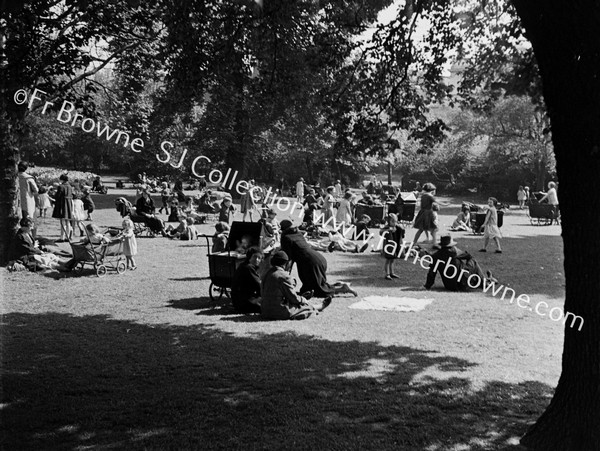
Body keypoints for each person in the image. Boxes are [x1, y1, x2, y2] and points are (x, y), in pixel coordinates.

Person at [280, 220, 357, 297]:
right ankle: (339, 285)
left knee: (320, 291)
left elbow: (288, 257)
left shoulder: (285, 238)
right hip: (317, 259)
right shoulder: (298, 234)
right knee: (309, 289)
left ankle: (343, 288)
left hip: (310, 263)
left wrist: (285, 273)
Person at [261, 250, 332, 320]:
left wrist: (300, 296)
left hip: (265, 312)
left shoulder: (266, 274)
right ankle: (320, 306)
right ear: (285, 264)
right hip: (279, 312)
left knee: (298, 304)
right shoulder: (284, 276)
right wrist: (303, 299)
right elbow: (293, 298)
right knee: (305, 307)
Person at [424, 235, 494, 291]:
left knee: (466, 267)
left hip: (449, 286)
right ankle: (485, 281)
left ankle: (486, 280)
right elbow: (468, 256)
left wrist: (428, 285)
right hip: (462, 284)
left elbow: (431, 273)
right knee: (473, 261)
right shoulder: (455, 252)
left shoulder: (436, 256)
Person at [231, 247, 263, 314]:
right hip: (243, 303)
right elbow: (259, 285)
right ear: (249, 257)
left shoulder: (244, 265)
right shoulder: (248, 267)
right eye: (254, 257)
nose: (257, 260)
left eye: (259, 258)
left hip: (239, 301)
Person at [380, 213, 405, 280]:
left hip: (395, 245)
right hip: (389, 246)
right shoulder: (386, 227)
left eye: (395, 221)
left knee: (393, 259)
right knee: (388, 260)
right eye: (392, 221)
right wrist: (388, 230)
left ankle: (392, 272)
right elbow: (381, 232)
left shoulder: (397, 227)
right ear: (388, 221)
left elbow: (402, 234)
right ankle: (387, 274)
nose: (394, 223)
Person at [52, 174, 74, 242]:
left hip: (62, 203)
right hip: (68, 203)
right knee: (67, 222)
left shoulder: (61, 186)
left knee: (62, 221)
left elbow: (58, 196)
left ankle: (62, 237)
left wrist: (53, 195)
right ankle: (67, 237)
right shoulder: (70, 186)